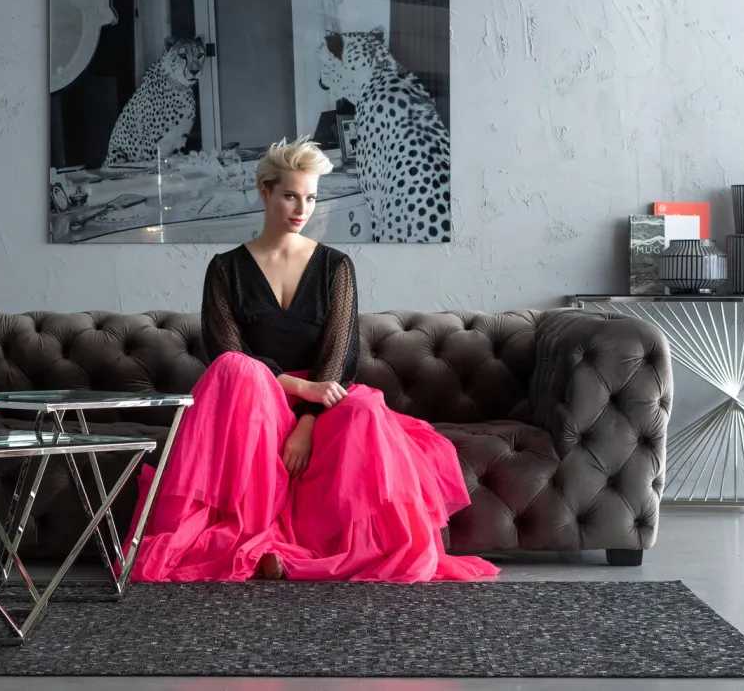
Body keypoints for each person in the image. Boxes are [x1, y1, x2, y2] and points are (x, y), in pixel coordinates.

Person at [121, 137, 498, 583]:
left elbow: (340, 355)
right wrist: (301, 388)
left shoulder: (335, 266)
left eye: (312, 198)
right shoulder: (226, 269)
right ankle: (255, 542)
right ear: (264, 192)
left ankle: (306, 553)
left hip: (321, 403)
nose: (302, 209)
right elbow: (227, 352)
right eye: (290, 196)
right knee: (236, 369)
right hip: (253, 403)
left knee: (364, 410)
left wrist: (306, 420)